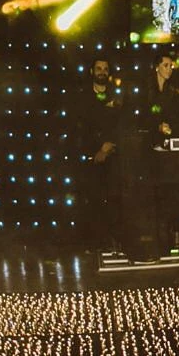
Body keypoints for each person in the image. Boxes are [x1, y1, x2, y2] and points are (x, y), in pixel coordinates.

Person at [139, 52, 179, 255]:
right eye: (166, 65)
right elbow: (141, 116)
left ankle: (168, 237)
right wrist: (157, 126)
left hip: (168, 150)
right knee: (152, 196)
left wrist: (169, 127)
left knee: (168, 194)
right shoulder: (146, 90)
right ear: (157, 67)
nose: (169, 69)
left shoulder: (173, 91)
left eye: (171, 66)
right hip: (148, 149)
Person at [78, 57, 123, 249]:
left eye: (105, 68)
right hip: (90, 157)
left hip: (114, 156)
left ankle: (114, 242)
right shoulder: (82, 97)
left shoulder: (117, 96)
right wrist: (98, 148)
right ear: (92, 72)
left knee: (114, 201)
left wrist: (109, 146)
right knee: (93, 202)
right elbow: (81, 127)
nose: (102, 72)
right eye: (98, 68)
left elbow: (122, 124)